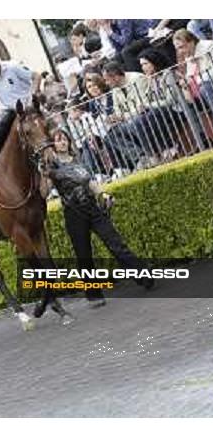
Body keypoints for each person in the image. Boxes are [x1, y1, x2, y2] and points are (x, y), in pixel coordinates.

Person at [48, 130, 153, 309]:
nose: (63, 143)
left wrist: (103, 194)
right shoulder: (52, 168)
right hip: (74, 214)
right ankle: (93, 295)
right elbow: (45, 191)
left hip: (92, 208)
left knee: (115, 243)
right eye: (58, 141)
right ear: (53, 145)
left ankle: (143, 276)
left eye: (65, 139)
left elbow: (91, 183)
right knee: (84, 255)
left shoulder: (79, 162)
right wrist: (42, 173)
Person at [0, 51, 42, 156]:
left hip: (28, 106)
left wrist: (33, 96)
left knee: (43, 125)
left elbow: (37, 76)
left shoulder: (12, 67)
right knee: (1, 133)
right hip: (10, 111)